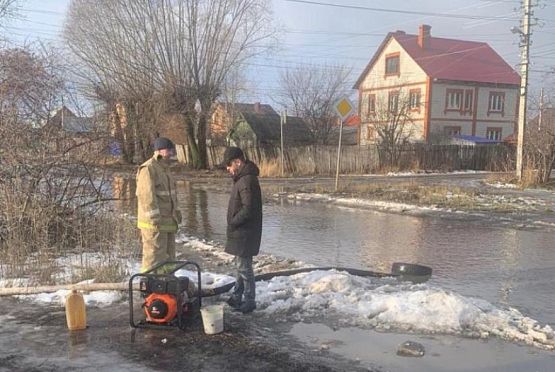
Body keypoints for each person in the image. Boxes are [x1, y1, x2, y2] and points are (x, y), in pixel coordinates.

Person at [222, 147, 262, 314]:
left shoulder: (246, 180)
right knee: (241, 266)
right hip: (242, 231)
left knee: (244, 268)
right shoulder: (242, 178)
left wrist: (233, 222)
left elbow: (248, 209)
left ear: (238, 162)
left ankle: (249, 300)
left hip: (245, 232)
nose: (227, 169)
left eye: (229, 165)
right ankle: (237, 296)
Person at [136, 137, 182, 272]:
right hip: (154, 225)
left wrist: (177, 213)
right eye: (169, 150)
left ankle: (167, 283)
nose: (171, 153)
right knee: (153, 257)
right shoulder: (148, 168)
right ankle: (149, 285)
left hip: (168, 221)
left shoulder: (165, 169)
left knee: (168, 257)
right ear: (159, 151)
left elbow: (172, 196)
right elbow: (146, 197)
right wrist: (155, 219)